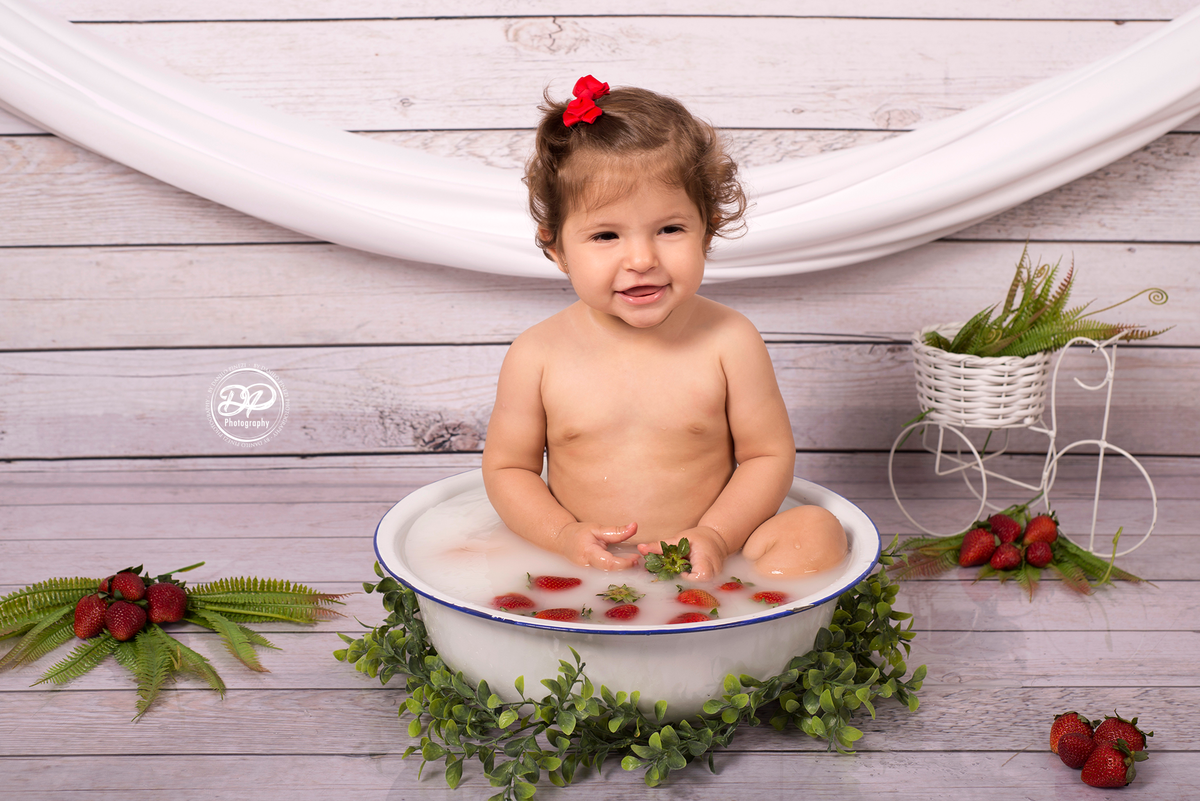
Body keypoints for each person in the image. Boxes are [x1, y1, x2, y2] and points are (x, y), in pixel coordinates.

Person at [481, 76, 846, 582]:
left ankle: (743, 627)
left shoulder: (729, 340)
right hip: (583, 568)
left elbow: (767, 455)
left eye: (670, 229)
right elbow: (509, 470)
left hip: (713, 561)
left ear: (708, 229)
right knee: (475, 553)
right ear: (556, 247)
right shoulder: (537, 354)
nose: (641, 259)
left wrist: (718, 535)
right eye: (605, 235)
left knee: (818, 531)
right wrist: (561, 535)